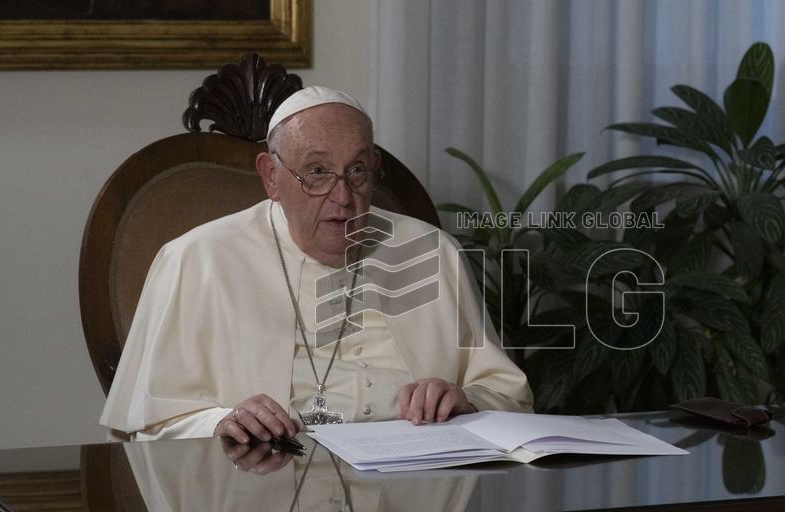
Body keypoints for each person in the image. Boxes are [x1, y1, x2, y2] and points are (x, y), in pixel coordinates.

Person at [100, 86, 533, 442]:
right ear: (271, 176)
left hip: (411, 493)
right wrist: (220, 422)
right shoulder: (197, 261)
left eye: (357, 170)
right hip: (261, 495)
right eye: (317, 172)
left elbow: (507, 395)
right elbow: (148, 426)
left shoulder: (429, 251)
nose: (342, 197)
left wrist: (463, 398)